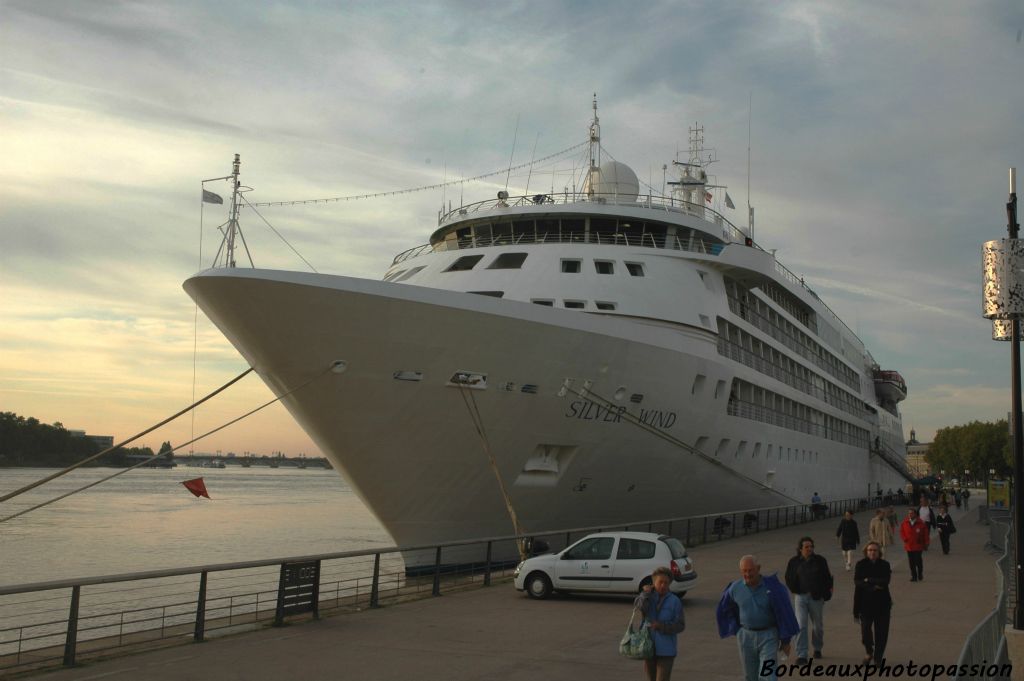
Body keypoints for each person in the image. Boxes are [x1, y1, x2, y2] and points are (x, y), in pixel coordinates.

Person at [717, 555, 799, 681]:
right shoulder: (735, 588)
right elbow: (725, 607)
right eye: (744, 571)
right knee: (750, 677)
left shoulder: (773, 588)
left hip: (769, 636)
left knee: (767, 676)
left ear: (758, 568)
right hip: (745, 637)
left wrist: (786, 640)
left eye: (750, 570)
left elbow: (784, 613)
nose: (747, 574)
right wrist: (736, 628)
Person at [784, 537, 833, 664]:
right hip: (800, 597)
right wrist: (794, 589)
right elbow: (788, 577)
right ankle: (802, 654)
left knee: (817, 626)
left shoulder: (820, 561)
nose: (809, 549)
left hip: (816, 597)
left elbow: (827, 577)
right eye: (806, 547)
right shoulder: (794, 562)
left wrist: (826, 593)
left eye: (811, 546)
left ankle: (817, 647)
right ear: (800, 549)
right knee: (800, 625)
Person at [634, 566, 685, 680]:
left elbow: (681, 625)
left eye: (666, 583)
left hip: (667, 651)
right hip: (648, 648)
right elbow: (639, 607)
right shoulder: (648, 597)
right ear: (654, 582)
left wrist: (661, 626)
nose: (663, 585)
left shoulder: (675, 601)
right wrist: (645, 594)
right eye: (660, 582)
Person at [853, 541, 892, 666]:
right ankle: (869, 651)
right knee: (865, 631)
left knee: (882, 633)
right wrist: (872, 587)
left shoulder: (885, 564)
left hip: (882, 604)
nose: (872, 552)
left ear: (879, 552)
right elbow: (857, 582)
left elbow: (885, 581)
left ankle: (878, 657)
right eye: (870, 550)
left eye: (874, 550)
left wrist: (868, 579)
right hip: (865, 604)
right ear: (866, 552)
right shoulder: (860, 564)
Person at [900, 508, 929, 581]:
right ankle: (914, 576)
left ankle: (920, 573)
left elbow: (926, 534)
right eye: (909, 513)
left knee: (918, 561)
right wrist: (904, 538)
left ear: (915, 514)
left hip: (918, 545)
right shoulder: (905, 522)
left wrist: (926, 543)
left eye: (912, 513)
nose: (910, 515)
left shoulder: (921, 523)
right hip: (909, 545)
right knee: (911, 562)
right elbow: (902, 531)